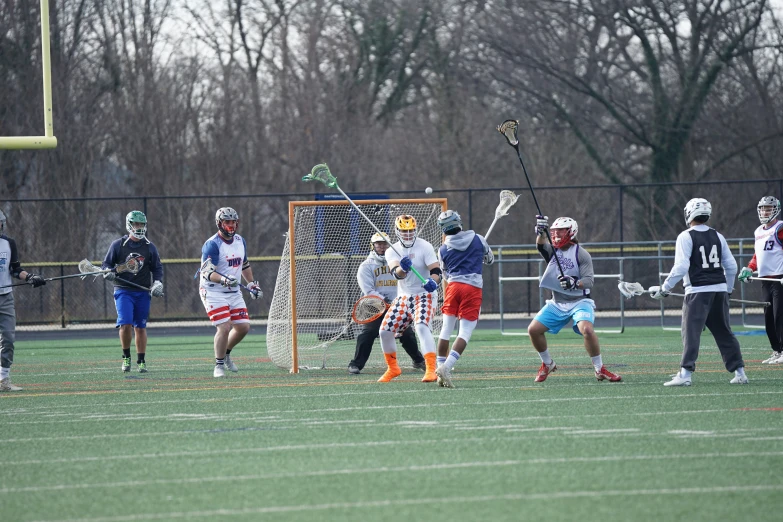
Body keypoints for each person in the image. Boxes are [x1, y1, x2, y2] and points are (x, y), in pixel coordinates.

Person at [651, 198, 747, 386]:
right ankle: (740, 373)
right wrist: (727, 290)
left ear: (688, 214)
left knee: (691, 333)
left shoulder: (685, 236)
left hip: (697, 292)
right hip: (718, 291)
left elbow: (681, 267)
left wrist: (665, 288)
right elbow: (732, 266)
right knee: (724, 332)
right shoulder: (718, 236)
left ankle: (685, 375)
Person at [528, 215, 622, 383]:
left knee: (587, 330)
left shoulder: (582, 254)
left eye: (561, 231)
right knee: (533, 330)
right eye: (554, 232)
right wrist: (542, 232)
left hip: (580, 301)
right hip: (557, 302)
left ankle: (599, 369)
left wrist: (574, 282)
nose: (556, 235)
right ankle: (547, 363)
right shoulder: (553, 251)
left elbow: (589, 281)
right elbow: (541, 246)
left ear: (571, 232)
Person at [348, 232, 425, 374]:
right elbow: (368, 290)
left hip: (397, 305)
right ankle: (356, 364)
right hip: (374, 306)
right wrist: (384, 301)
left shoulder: (397, 263)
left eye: (384, 244)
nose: (382, 247)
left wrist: (398, 300)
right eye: (378, 244)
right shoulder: (366, 266)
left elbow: (405, 282)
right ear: (373, 246)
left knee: (407, 334)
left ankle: (418, 361)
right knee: (368, 332)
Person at [377, 214, 442, 383]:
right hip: (404, 297)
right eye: (404, 231)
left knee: (421, 326)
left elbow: (436, 271)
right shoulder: (392, 250)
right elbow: (396, 275)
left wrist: (433, 283)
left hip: (424, 296)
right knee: (384, 331)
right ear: (397, 231)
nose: (408, 234)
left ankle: (430, 369)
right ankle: (393, 368)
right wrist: (403, 269)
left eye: (411, 230)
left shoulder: (425, 246)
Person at [434, 210, 493, 388]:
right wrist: (479, 256)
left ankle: (439, 369)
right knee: (464, 333)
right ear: (459, 222)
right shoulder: (478, 239)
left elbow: (444, 273)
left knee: (446, 329)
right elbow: (490, 260)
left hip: (452, 288)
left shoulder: (443, 249)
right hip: (472, 288)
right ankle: (447, 368)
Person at [199, 207, 262, 378]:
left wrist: (251, 284)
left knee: (243, 327)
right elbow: (207, 273)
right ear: (219, 223)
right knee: (225, 326)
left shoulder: (240, 240)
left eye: (233, 221)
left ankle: (226, 353)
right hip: (213, 290)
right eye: (227, 221)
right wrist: (224, 279)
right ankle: (218, 365)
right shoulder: (212, 244)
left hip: (233, 291)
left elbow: (245, 264)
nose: (231, 225)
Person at [102, 211, 164, 373]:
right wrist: (107, 271)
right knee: (125, 324)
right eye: (136, 224)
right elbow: (106, 264)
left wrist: (157, 282)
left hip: (142, 292)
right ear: (129, 225)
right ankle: (126, 357)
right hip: (123, 290)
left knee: (141, 327)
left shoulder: (150, 247)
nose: (139, 227)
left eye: (141, 224)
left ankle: (141, 360)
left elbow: (157, 268)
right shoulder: (118, 245)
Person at [0, 210, 46, 392]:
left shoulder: (9, 244)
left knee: (8, 339)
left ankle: (3, 379)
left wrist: (30, 277)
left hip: (5, 298)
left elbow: (15, 269)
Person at [738, 196, 783, 365]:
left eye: (768, 208)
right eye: (763, 208)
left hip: (780, 279)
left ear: (776, 210)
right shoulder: (758, 231)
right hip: (765, 280)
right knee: (769, 318)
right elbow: (759, 255)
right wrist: (749, 268)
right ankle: (777, 350)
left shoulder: (780, 228)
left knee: (780, 316)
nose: (765, 211)